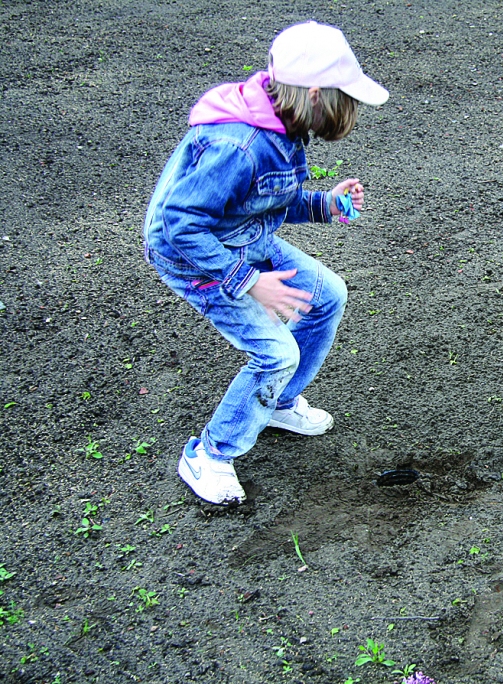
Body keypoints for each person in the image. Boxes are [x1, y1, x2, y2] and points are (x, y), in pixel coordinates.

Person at [142, 21, 388, 505]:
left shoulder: (282, 124)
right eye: (348, 100)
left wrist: (327, 205)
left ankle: (277, 401)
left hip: (241, 236)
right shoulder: (240, 145)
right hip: (197, 258)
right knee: (276, 353)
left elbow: (265, 200)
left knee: (327, 295)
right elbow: (181, 224)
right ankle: (210, 455)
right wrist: (249, 281)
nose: (353, 111)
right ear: (316, 94)